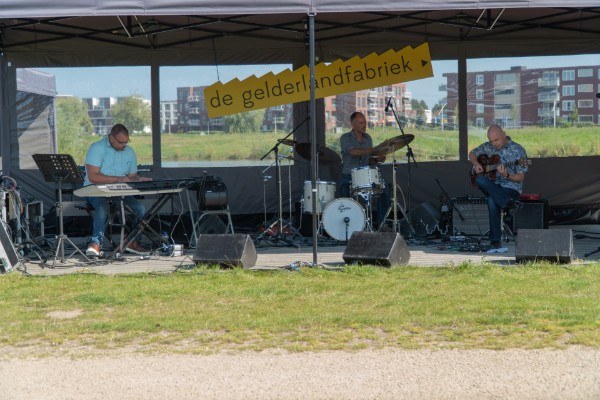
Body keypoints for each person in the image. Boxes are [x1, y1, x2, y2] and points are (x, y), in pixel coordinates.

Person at [84, 123, 152, 256]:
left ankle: (132, 242)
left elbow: (132, 176)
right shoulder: (97, 148)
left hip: (118, 190)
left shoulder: (130, 151)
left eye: (126, 142)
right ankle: (95, 244)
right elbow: (93, 177)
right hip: (94, 189)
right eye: (121, 142)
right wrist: (119, 179)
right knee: (102, 208)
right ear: (111, 138)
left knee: (139, 208)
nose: (124, 145)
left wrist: (139, 179)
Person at [469, 124, 528, 248]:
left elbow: (520, 178)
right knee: (479, 179)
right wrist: (475, 164)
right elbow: (472, 154)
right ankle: (508, 203)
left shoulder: (518, 150)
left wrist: (506, 175)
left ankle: (495, 241)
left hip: (511, 189)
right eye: (491, 141)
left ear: (503, 134)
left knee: (491, 200)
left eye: (496, 140)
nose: (493, 143)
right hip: (495, 186)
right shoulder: (488, 147)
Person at [339, 111, 389, 228]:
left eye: (365, 122)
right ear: (353, 125)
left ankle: (381, 224)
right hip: (349, 175)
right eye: (361, 123)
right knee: (344, 190)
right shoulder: (345, 138)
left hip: (366, 177)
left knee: (386, 191)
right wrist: (373, 149)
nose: (364, 125)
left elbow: (368, 160)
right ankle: (347, 226)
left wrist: (377, 159)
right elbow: (353, 152)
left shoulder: (368, 139)